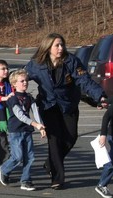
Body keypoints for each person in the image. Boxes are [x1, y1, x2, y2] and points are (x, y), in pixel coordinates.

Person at [25, 33, 107, 189]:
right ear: (48, 47)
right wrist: (6, 88)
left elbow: (85, 81)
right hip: (48, 106)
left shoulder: (71, 61)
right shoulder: (36, 64)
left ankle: (50, 163)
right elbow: (19, 77)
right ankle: (57, 178)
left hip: (68, 104)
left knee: (71, 137)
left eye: (62, 44)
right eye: (57, 45)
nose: (61, 48)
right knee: (54, 141)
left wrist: (100, 96)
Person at [0, 69, 46, 191]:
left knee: (30, 157)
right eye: (22, 81)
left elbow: (35, 111)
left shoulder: (29, 97)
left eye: (26, 80)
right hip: (15, 131)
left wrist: (41, 126)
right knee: (17, 157)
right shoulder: (12, 98)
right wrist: (35, 124)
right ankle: (4, 169)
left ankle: (26, 181)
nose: (25, 83)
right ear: (14, 84)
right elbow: (20, 115)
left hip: (27, 130)